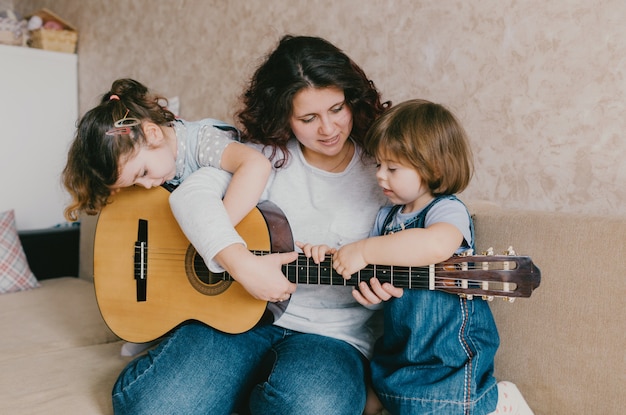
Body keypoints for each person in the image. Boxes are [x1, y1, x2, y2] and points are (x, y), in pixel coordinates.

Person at [111, 35, 390, 415]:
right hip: (233, 318)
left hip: (332, 338)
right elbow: (190, 197)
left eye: (337, 108)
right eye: (308, 118)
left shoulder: (386, 172)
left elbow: (412, 242)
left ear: (351, 98)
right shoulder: (264, 158)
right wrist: (241, 264)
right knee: (152, 406)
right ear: (284, 116)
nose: (328, 129)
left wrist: (384, 294)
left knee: (312, 408)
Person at [299, 99, 533, 415]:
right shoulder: (386, 218)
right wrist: (362, 283)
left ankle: (497, 401)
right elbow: (375, 285)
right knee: (363, 403)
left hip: (445, 357)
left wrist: (364, 250)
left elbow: (436, 245)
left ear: (433, 168)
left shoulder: (445, 209)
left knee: (435, 404)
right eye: (379, 165)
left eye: (392, 168)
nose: (380, 176)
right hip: (402, 351)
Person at [62, 78, 270, 226]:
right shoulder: (151, 162)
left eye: (142, 174)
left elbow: (256, 165)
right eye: (135, 183)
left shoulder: (203, 144)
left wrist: (215, 233)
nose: (146, 185)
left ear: (153, 133)